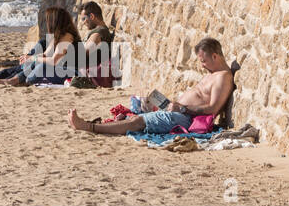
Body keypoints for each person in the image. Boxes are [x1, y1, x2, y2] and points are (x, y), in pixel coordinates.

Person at [68, 37, 233, 135]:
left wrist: (182, 109)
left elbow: (212, 108)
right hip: (178, 111)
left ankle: (90, 127)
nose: (202, 65)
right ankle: (98, 124)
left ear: (215, 56)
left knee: (138, 122)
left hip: (184, 117)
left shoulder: (223, 77)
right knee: (142, 103)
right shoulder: (214, 74)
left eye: (203, 61)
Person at [0, 7, 80, 86]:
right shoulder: (57, 36)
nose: (47, 24)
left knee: (43, 65)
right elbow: (45, 55)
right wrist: (29, 58)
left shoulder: (67, 37)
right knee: (38, 61)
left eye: (48, 20)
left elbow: (53, 61)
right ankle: (14, 79)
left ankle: (18, 80)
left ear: (54, 22)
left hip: (73, 73)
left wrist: (34, 58)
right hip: (62, 70)